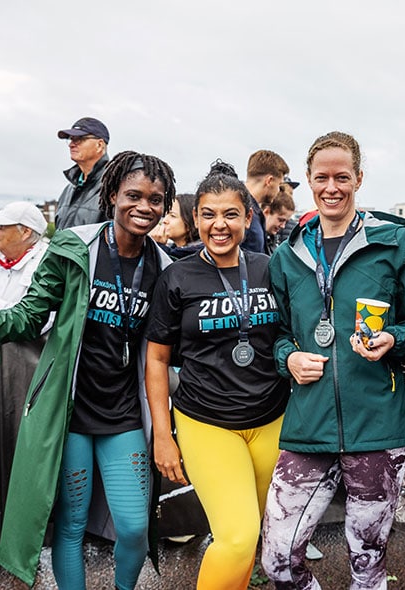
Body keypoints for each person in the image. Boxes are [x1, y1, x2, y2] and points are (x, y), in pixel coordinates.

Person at [0, 151, 176, 590]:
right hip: (69, 410)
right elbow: (28, 316)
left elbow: (170, 347)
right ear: (112, 194)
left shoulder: (165, 266)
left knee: (135, 528)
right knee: (71, 523)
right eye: (133, 195)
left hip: (124, 413)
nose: (145, 207)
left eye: (156, 199)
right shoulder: (73, 247)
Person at [261, 131, 405, 589]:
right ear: (308, 180)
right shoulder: (288, 255)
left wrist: (394, 337)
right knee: (277, 556)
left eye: (342, 177)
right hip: (309, 425)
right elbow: (276, 334)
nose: (331, 187)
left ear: (359, 178)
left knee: (368, 558)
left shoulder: (394, 243)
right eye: (321, 178)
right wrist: (288, 358)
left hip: (379, 425)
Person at [145, 160, 289, 589]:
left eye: (230, 214)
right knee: (237, 535)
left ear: (249, 217)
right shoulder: (177, 276)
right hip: (206, 423)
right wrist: (164, 435)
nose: (219, 225)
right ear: (195, 218)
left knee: (253, 536)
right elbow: (156, 360)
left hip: (271, 421)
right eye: (208, 214)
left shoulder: (271, 268)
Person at [55, 117, 110, 230]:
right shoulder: (68, 191)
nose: (71, 144)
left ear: (99, 145)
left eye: (79, 139)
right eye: (70, 139)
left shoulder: (114, 187)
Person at [241, 149, 290, 253]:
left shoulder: (250, 210)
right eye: (279, 185)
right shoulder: (241, 210)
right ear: (269, 181)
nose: (278, 191)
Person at [152, 193, 202, 259]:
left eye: (173, 216)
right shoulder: (173, 250)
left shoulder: (197, 256)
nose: (165, 220)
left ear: (189, 222)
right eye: (166, 214)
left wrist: (159, 247)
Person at [262, 183, 295, 255]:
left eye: (286, 222)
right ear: (267, 212)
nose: (283, 226)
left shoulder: (271, 239)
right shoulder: (255, 239)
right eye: (281, 220)